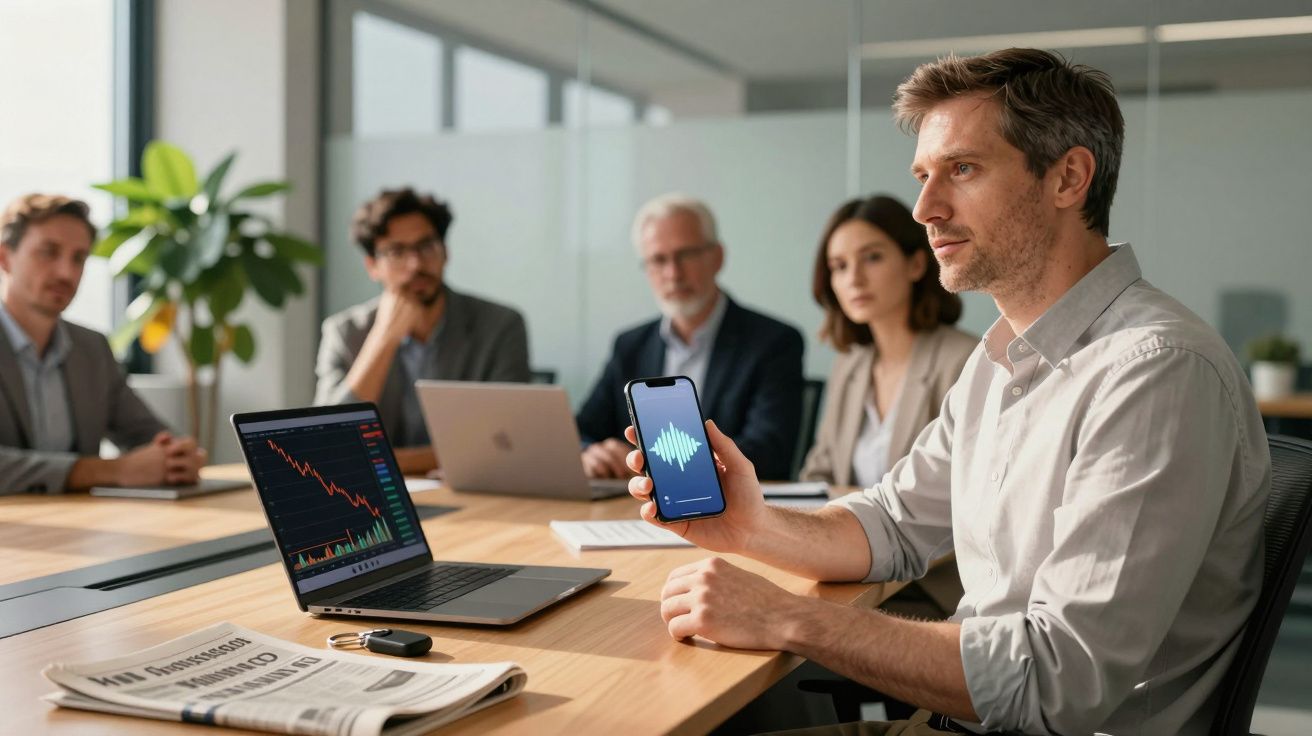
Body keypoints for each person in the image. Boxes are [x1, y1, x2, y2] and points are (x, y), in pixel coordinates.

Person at [623, 49, 1270, 735]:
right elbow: (893, 525)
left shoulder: (1153, 371)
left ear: (1068, 178)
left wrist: (788, 617)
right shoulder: (1000, 360)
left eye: (962, 169)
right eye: (923, 176)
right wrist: (751, 526)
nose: (925, 209)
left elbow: (1057, 682)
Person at [801, 194, 976, 620]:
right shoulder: (851, 365)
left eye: (872, 258)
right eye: (839, 266)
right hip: (851, 570)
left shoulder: (966, 361)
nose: (854, 278)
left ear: (916, 264)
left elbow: (964, 508)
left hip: (929, 588)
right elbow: (819, 475)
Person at [576, 193, 804, 482]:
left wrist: (654, 462)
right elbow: (582, 429)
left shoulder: (774, 343)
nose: (673, 273)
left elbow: (770, 450)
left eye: (686, 255)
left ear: (717, 257)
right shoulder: (630, 345)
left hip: (730, 503)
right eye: (658, 259)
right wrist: (590, 453)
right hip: (636, 502)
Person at [315, 187, 531, 475]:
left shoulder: (500, 325)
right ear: (372, 266)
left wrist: (386, 461)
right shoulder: (343, 332)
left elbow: (505, 441)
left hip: (471, 489)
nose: (416, 264)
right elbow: (328, 442)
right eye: (396, 252)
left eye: (426, 246)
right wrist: (383, 340)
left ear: (445, 252)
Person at [0, 193, 206, 495]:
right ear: (5, 258)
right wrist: (112, 471)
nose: (66, 272)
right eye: (48, 252)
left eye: (78, 258)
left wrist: (177, 456)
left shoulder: (92, 348)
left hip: (84, 520)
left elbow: (146, 432)